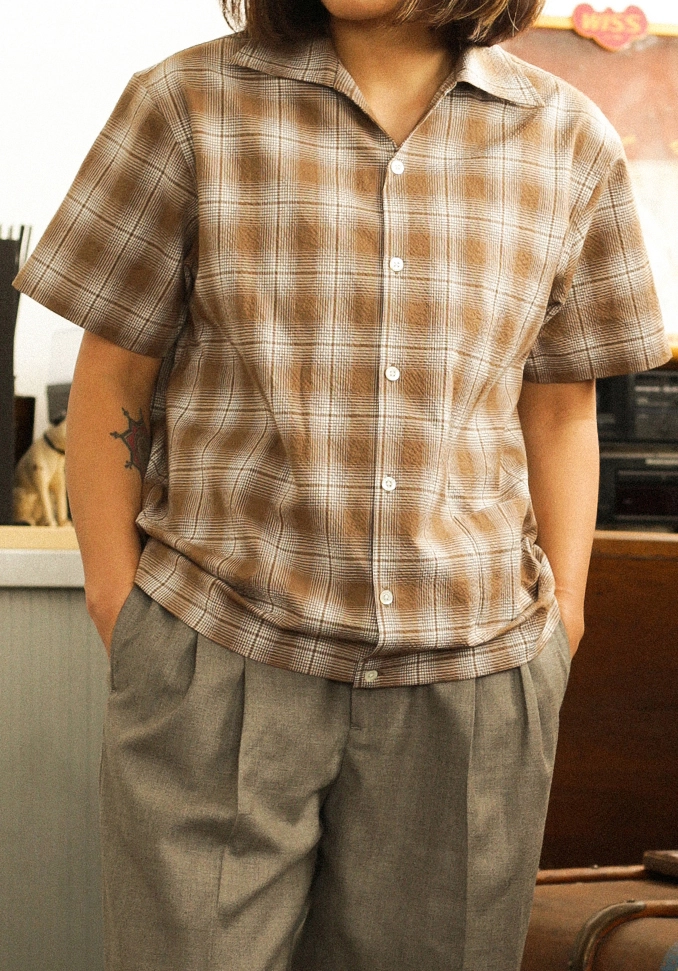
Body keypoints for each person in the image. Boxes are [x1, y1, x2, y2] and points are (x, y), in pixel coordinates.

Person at [14, 0, 670, 966]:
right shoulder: (185, 105)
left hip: (472, 682)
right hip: (221, 655)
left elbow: (563, 407)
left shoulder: (569, 139)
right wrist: (124, 605)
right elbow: (114, 375)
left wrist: (563, 614)